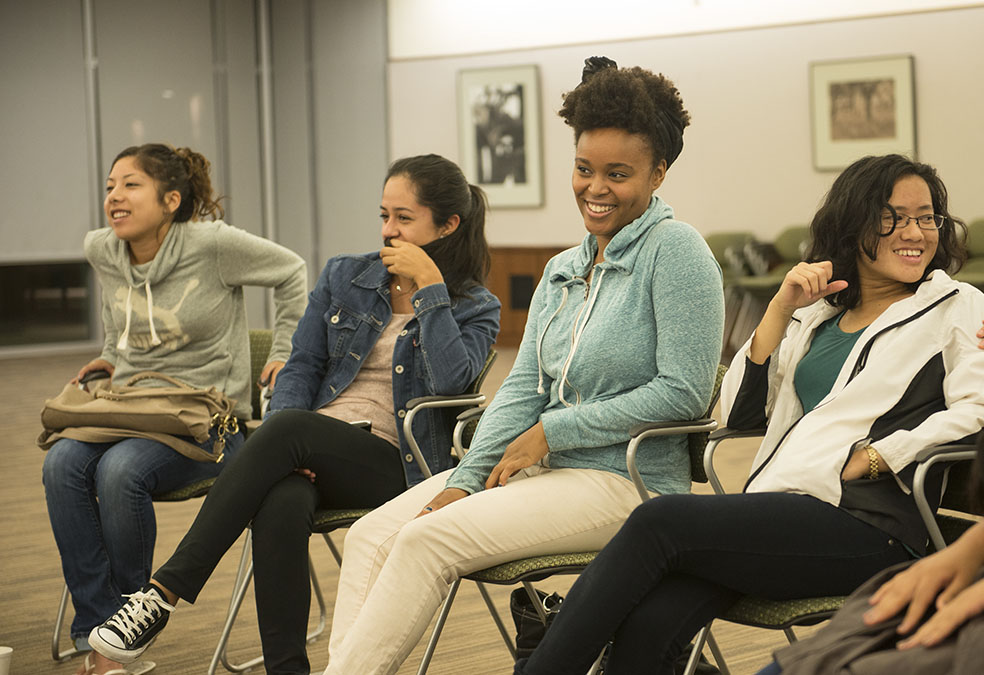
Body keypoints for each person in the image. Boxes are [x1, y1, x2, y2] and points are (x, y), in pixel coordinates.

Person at [514, 154, 984, 675]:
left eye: (926, 216)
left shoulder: (956, 305)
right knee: (654, 621)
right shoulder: (819, 315)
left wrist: (881, 455)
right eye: (891, 217)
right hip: (783, 513)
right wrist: (781, 308)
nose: (912, 232)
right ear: (853, 225)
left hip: (869, 524)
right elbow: (733, 413)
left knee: (658, 522)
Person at [313, 57, 724, 675]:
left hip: (628, 483)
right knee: (374, 533)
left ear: (658, 172)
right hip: (540, 470)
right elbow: (523, 391)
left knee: (426, 541)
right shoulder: (563, 268)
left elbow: (685, 393)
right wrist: (466, 477)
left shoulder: (679, 253)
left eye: (618, 173)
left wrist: (554, 432)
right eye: (584, 169)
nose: (595, 188)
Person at [87, 154, 501, 675]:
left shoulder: (473, 305)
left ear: (447, 225)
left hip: (401, 464)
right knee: (280, 499)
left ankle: (161, 594)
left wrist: (431, 293)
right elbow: (302, 366)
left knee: (288, 431)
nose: (388, 231)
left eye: (404, 218)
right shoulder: (347, 276)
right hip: (310, 444)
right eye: (383, 215)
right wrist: (289, 445)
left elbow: (451, 385)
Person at [42, 143, 307, 675]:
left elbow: (293, 271)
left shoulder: (211, 245)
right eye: (110, 186)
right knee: (61, 463)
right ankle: (98, 629)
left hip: (211, 421)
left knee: (119, 472)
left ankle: (121, 639)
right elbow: (119, 327)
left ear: (170, 200)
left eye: (130, 185)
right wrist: (112, 359)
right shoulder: (104, 249)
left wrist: (283, 353)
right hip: (132, 408)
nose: (114, 196)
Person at [754, 375, 984, 675]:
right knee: (807, 660)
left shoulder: (954, 331)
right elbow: (746, 411)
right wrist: (975, 545)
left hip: (867, 522)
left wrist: (881, 454)